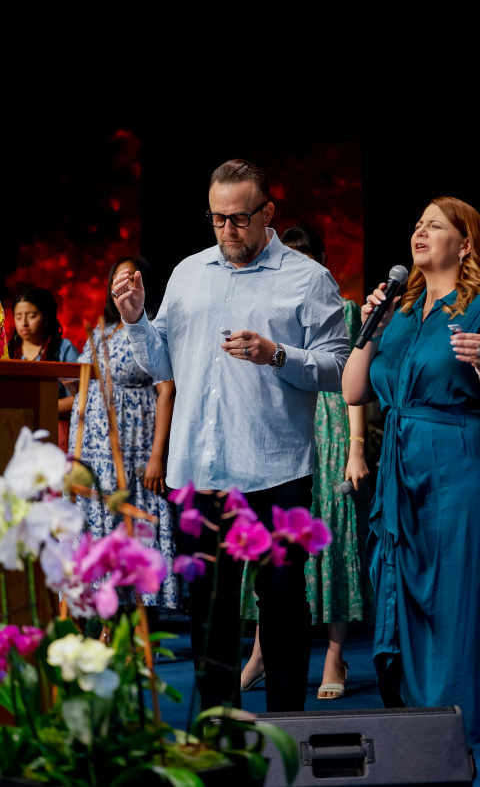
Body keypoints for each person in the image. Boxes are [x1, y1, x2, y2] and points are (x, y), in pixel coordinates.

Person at [112, 159, 350, 713]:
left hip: (275, 472)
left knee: (283, 604)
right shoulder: (188, 273)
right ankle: (218, 729)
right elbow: (161, 364)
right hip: (199, 470)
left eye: (240, 218)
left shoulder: (308, 278)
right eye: (217, 219)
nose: (228, 231)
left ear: (268, 212)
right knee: (209, 608)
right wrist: (136, 321)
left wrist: (278, 354)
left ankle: (287, 728)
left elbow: (339, 368)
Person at [342, 196, 480, 744]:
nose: (419, 232)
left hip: (457, 466)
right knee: (399, 596)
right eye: (418, 224)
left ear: (464, 244)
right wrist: (372, 327)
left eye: (435, 225)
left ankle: (446, 739)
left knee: (449, 609)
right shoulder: (399, 309)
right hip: (401, 468)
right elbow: (353, 389)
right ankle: (410, 730)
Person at [240, 225, 372, 700]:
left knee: (334, 538)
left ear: (321, 260)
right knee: (273, 543)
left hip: (331, 427)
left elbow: (353, 385)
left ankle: (335, 656)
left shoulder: (345, 308)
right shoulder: (270, 305)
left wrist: (356, 447)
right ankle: (261, 653)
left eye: (305, 256)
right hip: (283, 427)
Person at [70, 257, 179, 615]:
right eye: (117, 278)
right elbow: (84, 388)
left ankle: (137, 621)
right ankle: (105, 614)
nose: (123, 284)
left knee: (131, 522)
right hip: (94, 449)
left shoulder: (154, 329)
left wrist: (158, 456)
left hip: (134, 444)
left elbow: (167, 390)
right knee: (101, 523)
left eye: (130, 277)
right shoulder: (102, 331)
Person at [8, 286, 79, 451]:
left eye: (31, 316)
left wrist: (38, 407)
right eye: (18, 317)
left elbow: (80, 398)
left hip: (55, 433)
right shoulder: (6, 352)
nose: (24, 323)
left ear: (46, 317)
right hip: (11, 428)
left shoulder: (64, 349)